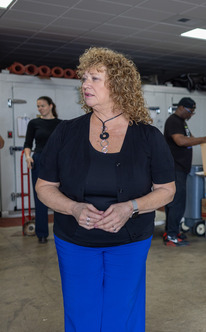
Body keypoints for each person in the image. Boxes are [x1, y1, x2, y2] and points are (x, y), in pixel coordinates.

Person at [35, 47, 175, 331]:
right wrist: (73, 208)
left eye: (95, 79)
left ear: (120, 85)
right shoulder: (65, 132)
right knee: (80, 311)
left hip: (129, 240)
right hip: (75, 240)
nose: (85, 84)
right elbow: (44, 186)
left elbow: (166, 190)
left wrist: (130, 207)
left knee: (122, 312)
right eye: (84, 78)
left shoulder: (148, 136)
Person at [163, 97, 206, 246]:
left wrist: (205, 140)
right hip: (175, 168)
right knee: (177, 203)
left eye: (193, 112)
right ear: (180, 108)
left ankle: (171, 231)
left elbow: (190, 138)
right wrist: (204, 139)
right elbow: (181, 141)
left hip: (180, 168)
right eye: (189, 111)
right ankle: (171, 236)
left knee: (174, 203)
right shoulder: (173, 121)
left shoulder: (182, 123)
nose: (191, 115)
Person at [23, 96, 62, 243]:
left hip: (57, 161)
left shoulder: (61, 124)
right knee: (40, 196)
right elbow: (27, 143)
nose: (40, 108)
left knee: (61, 195)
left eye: (43, 106)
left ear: (51, 106)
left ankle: (62, 231)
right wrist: (28, 157)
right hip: (39, 160)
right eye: (38, 106)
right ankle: (42, 234)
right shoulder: (34, 123)